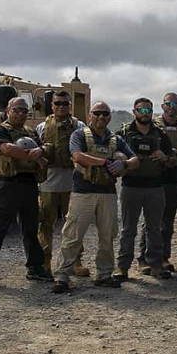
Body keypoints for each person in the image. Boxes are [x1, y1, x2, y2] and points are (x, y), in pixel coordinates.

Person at [51, 102, 137, 293]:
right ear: (90, 115)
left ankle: (104, 274)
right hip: (83, 192)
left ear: (109, 117)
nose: (101, 117)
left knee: (108, 236)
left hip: (107, 193)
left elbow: (134, 160)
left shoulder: (116, 140)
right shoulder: (79, 135)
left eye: (105, 114)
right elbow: (77, 156)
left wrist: (124, 165)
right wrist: (106, 162)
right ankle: (62, 276)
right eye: (97, 113)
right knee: (73, 236)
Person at [0, 97, 50, 288]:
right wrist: (32, 155)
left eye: (24, 111)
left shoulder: (31, 132)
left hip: (29, 184)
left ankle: (35, 268)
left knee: (30, 229)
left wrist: (41, 151)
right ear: (8, 110)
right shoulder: (0, 130)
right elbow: (7, 149)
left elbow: (44, 147)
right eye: (17, 110)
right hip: (7, 185)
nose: (20, 114)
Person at [115, 97, 176, 281]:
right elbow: (113, 151)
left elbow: (173, 158)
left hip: (155, 188)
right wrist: (120, 156)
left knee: (154, 229)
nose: (145, 113)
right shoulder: (124, 133)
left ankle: (155, 265)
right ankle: (122, 268)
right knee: (128, 230)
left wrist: (164, 157)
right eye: (141, 110)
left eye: (149, 110)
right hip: (131, 187)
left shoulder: (160, 134)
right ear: (134, 112)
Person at [35, 90, 88, 276]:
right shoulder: (42, 127)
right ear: (52, 105)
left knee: (73, 224)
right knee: (45, 223)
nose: (61, 107)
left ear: (70, 106)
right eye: (57, 103)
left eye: (65, 104)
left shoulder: (79, 126)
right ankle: (44, 262)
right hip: (48, 182)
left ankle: (75, 261)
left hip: (72, 182)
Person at [139, 92, 177, 273]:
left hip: (175, 177)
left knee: (168, 222)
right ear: (162, 106)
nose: (172, 107)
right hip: (156, 176)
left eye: (175, 104)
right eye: (168, 104)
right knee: (151, 221)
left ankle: (164, 257)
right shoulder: (153, 126)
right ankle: (143, 258)